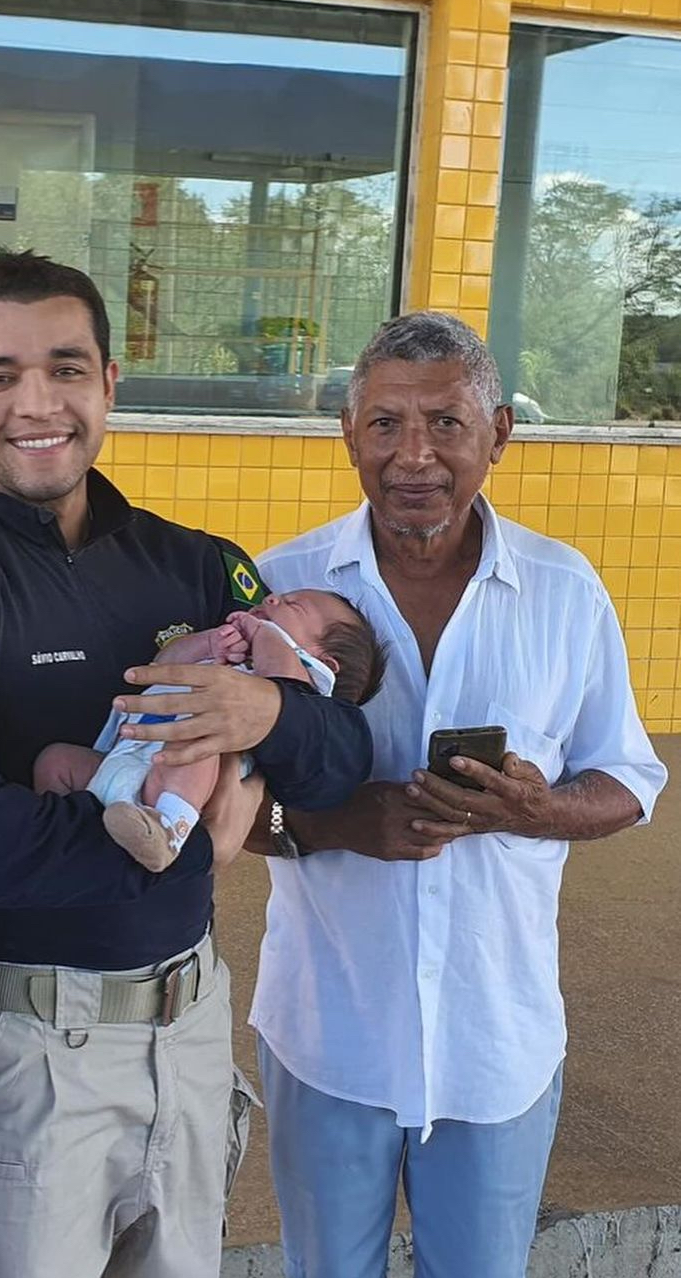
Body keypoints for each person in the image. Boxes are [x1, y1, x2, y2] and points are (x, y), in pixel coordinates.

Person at [0, 249, 373, 1278]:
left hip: (190, 1026)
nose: (37, 403)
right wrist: (189, 850)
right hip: (29, 1052)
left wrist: (263, 708)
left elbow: (340, 753)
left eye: (67, 368)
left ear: (110, 383)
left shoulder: (200, 565)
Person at [249, 312, 668, 1278]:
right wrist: (346, 822)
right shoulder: (280, 591)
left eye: (446, 423)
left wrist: (539, 810)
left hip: (497, 1045)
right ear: (348, 435)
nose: (415, 456)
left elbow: (631, 779)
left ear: (500, 434)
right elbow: (233, 812)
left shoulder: (565, 593)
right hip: (330, 1037)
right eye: (386, 424)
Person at [34, 588, 385, 872]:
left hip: (181, 772)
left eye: (294, 605)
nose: (272, 598)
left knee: (197, 740)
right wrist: (208, 644)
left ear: (324, 662)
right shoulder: (232, 654)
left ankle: (168, 828)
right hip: (122, 760)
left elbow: (285, 685)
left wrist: (265, 634)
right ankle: (62, 836)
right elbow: (162, 666)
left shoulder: (309, 683)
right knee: (56, 761)